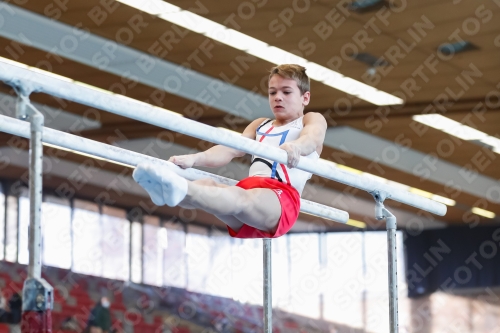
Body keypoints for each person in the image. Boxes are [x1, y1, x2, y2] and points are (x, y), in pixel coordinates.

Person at [133, 64, 327, 238]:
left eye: (286, 92)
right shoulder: (260, 124)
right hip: (249, 192)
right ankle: (166, 192)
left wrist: (297, 147)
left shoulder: (310, 119)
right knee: (209, 184)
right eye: (272, 92)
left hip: (280, 199)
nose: (278, 97)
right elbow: (230, 149)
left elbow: (312, 138)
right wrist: (194, 158)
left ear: (305, 97)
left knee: (240, 198)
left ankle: (178, 187)